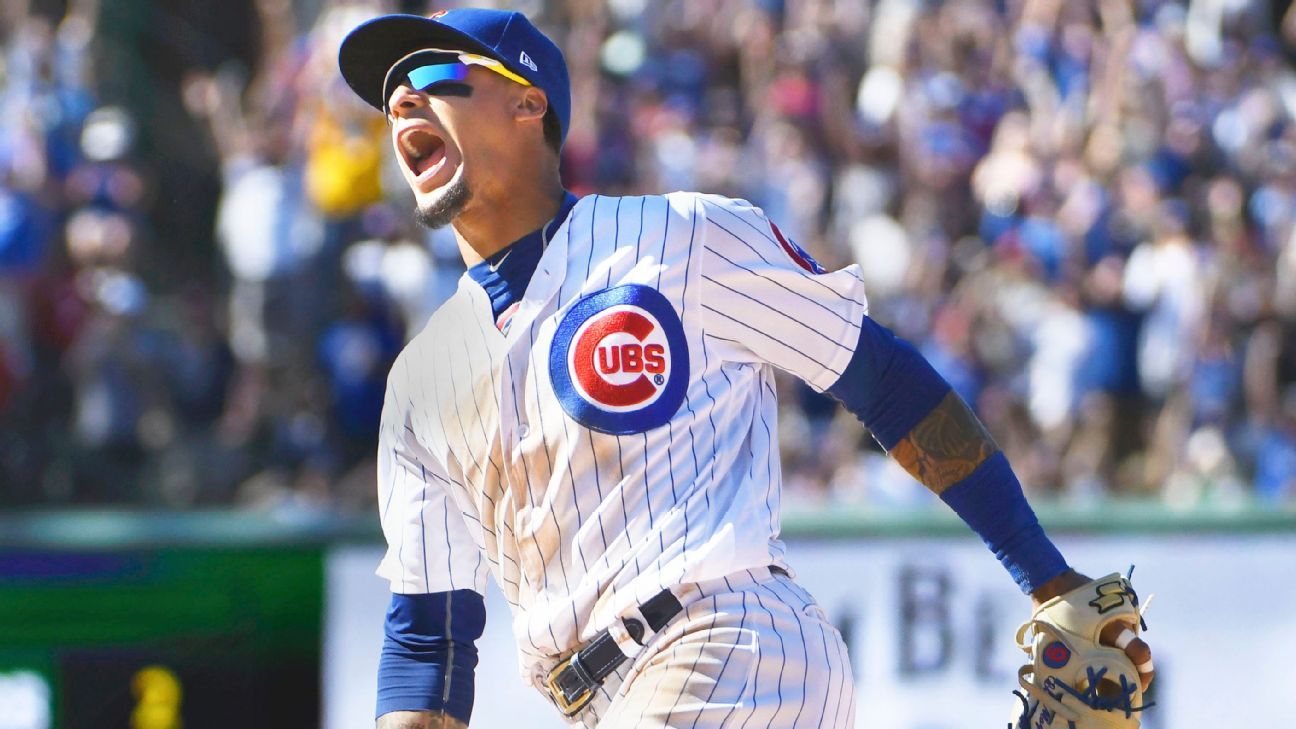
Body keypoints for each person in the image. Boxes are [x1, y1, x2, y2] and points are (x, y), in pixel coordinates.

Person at [336, 9, 1154, 728]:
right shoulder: (419, 381)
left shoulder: (680, 240)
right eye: (391, 92)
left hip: (730, 645)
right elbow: (428, 637)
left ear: (529, 101)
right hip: (597, 701)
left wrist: (1048, 579)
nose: (402, 96)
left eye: (435, 73)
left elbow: (883, 380)